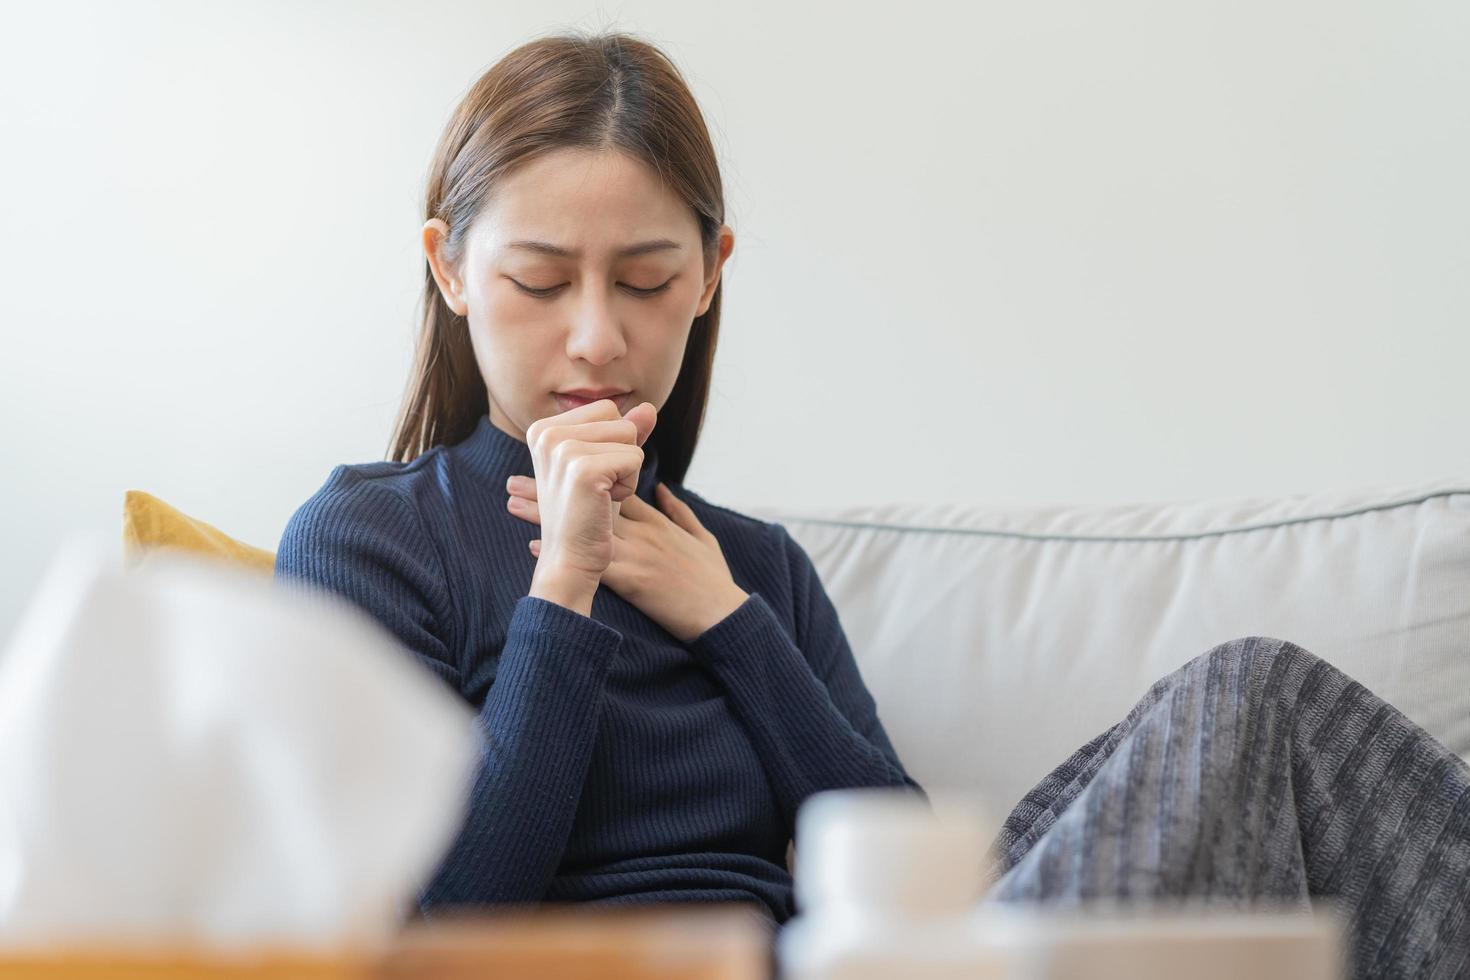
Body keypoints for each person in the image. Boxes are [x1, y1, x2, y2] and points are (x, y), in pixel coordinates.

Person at [274, 29, 1470, 979]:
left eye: (647, 280)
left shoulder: (754, 568)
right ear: (448, 268)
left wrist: (735, 624)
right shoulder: (371, 539)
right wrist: (563, 589)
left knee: (1260, 698)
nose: (597, 336)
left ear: (710, 276)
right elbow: (427, 928)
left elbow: (916, 882)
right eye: (539, 281)